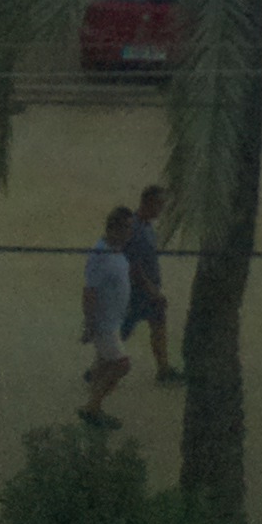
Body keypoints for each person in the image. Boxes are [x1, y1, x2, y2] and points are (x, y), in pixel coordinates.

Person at [80, 206, 137, 428]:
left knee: (104, 364)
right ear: (114, 229)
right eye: (127, 228)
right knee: (122, 365)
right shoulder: (101, 255)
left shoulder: (115, 251)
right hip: (104, 325)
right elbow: (89, 291)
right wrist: (90, 324)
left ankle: (93, 404)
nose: (130, 232)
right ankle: (92, 407)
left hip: (113, 320)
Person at [127, 183, 180, 388]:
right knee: (125, 328)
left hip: (146, 288)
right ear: (149, 203)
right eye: (160, 204)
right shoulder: (135, 229)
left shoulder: (146, 227)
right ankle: (99, 367)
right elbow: (134, 265)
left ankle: (163, 368)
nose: (162, 209)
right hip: (139, 290)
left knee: (157, 324)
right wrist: (152, 290)